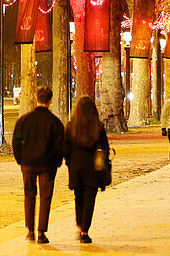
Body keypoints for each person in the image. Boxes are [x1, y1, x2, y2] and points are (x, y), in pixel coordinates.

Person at [12, 85, 64, 244]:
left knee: (29, 194)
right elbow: (59, 145)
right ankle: (41, 231)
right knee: (45, 196)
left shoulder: (24, 120)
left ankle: (29, 230)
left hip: (28, 163)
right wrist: (56, 161)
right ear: (50, 100)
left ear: (36, 99)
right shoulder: (54, 122)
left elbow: (16, 142)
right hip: (47, 165)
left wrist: (21, 159)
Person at [64, 96, 109, 244]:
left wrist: (69, 162)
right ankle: (85, 230)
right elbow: (105, 148)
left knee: (79, 198)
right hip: (93, 168)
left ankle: (79, 224)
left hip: (76, 168)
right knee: (90, 199)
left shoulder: (71, 127)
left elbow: (66, 149)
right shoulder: (98, 127)